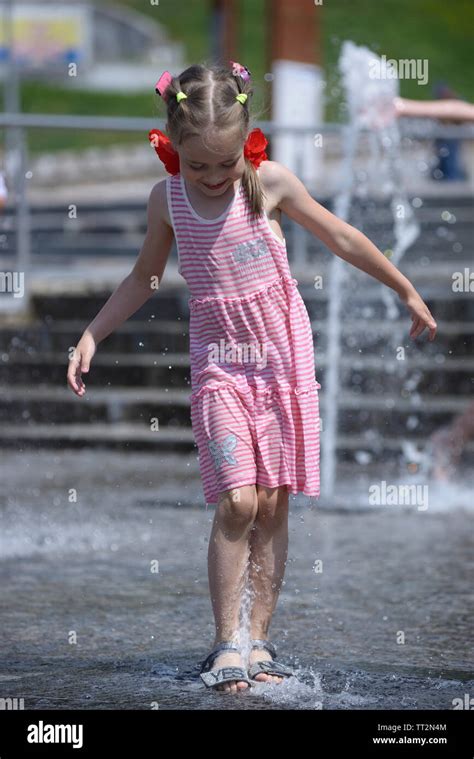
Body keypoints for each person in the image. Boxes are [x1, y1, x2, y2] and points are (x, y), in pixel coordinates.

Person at [67, 62, 437, 695]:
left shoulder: (267, 184)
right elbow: (144, 279)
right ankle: (224, 643)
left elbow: (342, 237)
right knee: (238, 498)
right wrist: (93, 333)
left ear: (248, 140)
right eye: (197, 165)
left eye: (224, 163)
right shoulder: (169, 199)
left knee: (272, 502)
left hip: (281, 359)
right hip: (219, 362)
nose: (211, 178)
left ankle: (258, 639)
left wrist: (404, 289)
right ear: (172, 145)